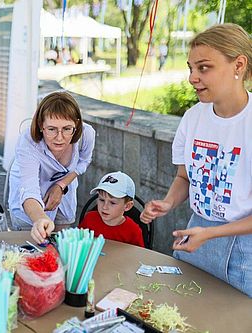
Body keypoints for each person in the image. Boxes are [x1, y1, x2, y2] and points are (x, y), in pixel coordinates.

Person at [140, 24, 252, 297]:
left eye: (203, 68)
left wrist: (210, 234)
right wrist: (168, 202)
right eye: (191, 68)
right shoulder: (193, 118)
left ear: (238, 65)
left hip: (244, 252)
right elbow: (184, 177)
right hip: (195, 234)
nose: (192, 77)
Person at [8, 91, 96, 244]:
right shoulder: (27, 142)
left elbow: (83, 162)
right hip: (31, 202)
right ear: (41, 125)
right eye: (52, 129)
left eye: (67, 129)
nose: (60, 137)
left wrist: (61, 185)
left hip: (65, 192)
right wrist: (40, 218)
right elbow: (29, 190)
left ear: (77, 124)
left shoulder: (87, 134)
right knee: (30, 247)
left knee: (61, 246)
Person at [78, 171, 144, 247]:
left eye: (112, 203)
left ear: (127, 206)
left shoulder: (133, 231)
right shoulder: (89, 219)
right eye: (101, 200)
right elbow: (77, 243)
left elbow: (139, 256)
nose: (104, 207)